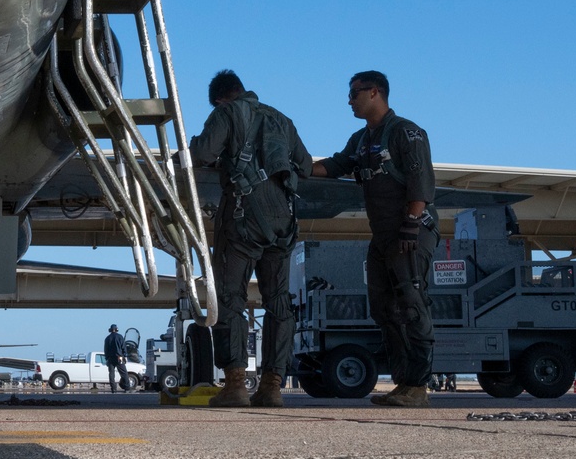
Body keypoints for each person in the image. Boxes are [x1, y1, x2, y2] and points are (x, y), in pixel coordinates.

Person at [311, 70, 439, 408]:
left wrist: (411, 224)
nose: (349, 100)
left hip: (409, 231)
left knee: (411, 303)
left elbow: (420, 182)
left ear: (375, 93)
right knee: (385, 308)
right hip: (383, 235)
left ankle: (418, 385)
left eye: (354, 93)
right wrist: (297, 166)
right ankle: (403, 383)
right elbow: (337, 165)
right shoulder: (362, 139)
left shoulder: (406, 133)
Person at [188, 70, 313, 407]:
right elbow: (305, 164)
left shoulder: (227, 113)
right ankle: (272, 386)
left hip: (242, 218)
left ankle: (236, 384)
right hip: (283, 221)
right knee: (279, 301)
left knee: (230, 297)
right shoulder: (282, 119)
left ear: (219, 98)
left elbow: (201, 153)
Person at [104, 324, 130, 393]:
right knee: (124, 373)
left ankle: (113, 389)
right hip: (120, 357)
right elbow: (123, 347)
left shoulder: (107, 338)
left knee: (111, 374)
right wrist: (125, 355)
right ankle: (127, 388)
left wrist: (107, 358)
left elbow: (105, 350)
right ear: (117, 329)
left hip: (110, 358)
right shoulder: (120, 337)